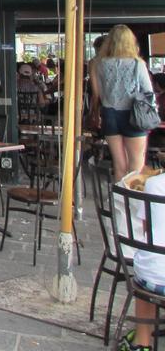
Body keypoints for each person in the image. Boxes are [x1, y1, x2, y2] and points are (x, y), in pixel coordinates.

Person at [90, 24, 153, 181]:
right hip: (133, 115)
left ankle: (119, 203)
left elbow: (97, 93)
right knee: (136, 165)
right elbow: (148, 92)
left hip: (109, 114)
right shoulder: (137, 64)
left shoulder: (100, 64)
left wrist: (96, 113)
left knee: (119, 166)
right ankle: (133, 204)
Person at [118, 170, 165, 351]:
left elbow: (147, 232)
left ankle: (142, 342)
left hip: (151, 275)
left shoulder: (153, 184)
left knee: (151, 267)